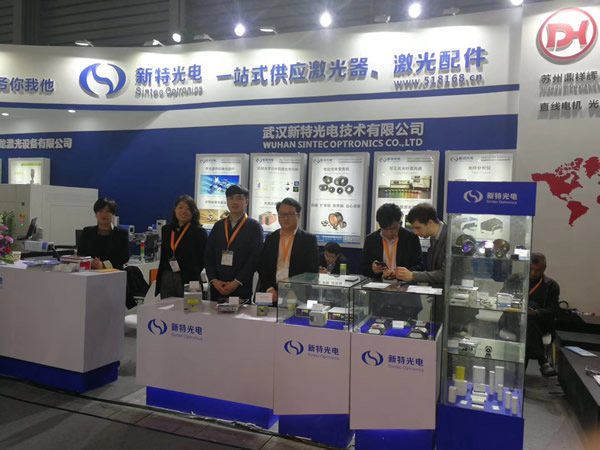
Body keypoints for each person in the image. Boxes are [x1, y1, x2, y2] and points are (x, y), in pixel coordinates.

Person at [502, 252, 560, 377]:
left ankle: (519, 376)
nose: (533, 273)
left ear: (544, 269)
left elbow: (553, 310)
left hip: (538, 324)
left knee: (529, 319)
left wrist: (536, 312)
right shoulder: (513, 279)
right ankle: (542, 360)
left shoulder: (551, 286)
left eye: (538, 270)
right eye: (531, 269)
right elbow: (502, 299)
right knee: (527, 318)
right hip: (513, 320)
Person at [205, 185, 263, 302]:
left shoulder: (254, 227)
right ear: (227, 201)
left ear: (246, 201)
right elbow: (208, 255)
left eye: (239, 198)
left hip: (241, 288)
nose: (235, 202)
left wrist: (236, 282)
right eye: (231, 198)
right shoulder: (218, 226)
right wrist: (214, 280)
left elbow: (254, 258)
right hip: (217, 288)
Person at [259, 197, 319, 304]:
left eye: (290, 214)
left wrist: (297, 290)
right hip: (273, 293)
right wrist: (269, 288)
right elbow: (262, 266)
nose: (286, 218)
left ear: (298, 216)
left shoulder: (308, 240)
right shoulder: (271, 238)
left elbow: (312, 271)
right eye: (282, 214)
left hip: (297, 295)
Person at [155, 195, 208, 299]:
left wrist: (193, 270)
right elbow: (164, 255)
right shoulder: (166, 230)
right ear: (175, 209)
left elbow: (204, 258)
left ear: (193, 212)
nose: (183, 211)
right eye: (180, 207)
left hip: (190, 277)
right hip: (167, 277)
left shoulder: (199, 232)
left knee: (191, 308)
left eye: (188, 208)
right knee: (167, 308)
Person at [360, 203, 422, 280]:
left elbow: (419, 266)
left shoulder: (411, 238)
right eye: (385, 229)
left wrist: (403, 273)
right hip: (378, 284)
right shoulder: (371, 240)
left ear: (400, 223)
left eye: (393, 228)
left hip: (403, 284)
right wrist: (372, 269)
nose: (389, 233)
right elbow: (363, 268)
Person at [395, 203, 447, 287]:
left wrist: (413, 276)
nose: (415, 232)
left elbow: (446, 274)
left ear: (430, 223)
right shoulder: (433, 237)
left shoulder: (451, 238)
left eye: (418, 228)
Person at [78, 198, 129, 270]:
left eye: (108, 211)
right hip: (90, 271)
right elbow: (81, 253)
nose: (103, 214)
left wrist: (104, 265)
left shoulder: (121, 233)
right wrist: (93, 262)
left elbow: (124, 257)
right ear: (96, 214)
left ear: (113, 214)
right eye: (100, 211)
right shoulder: (87, 231)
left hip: (114, 271)